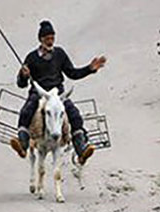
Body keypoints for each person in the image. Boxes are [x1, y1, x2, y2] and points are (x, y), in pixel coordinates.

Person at [10, 20, 107, 165]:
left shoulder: (60, 54)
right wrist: (23, 75)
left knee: (74, 114)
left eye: (52, 38)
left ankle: (81, 148)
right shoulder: (31, 57)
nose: (50, 41)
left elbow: (72, 73)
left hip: (58, 93)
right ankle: (22, 144)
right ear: (41, 39)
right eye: (47, 38)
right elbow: (21, 84)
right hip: (39, 92)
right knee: (27, 110)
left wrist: (89, 69)